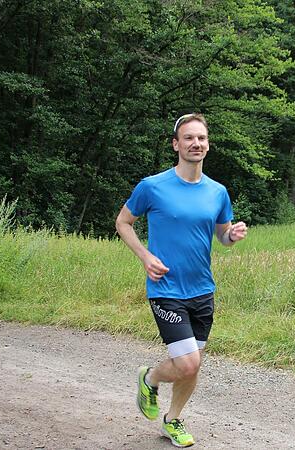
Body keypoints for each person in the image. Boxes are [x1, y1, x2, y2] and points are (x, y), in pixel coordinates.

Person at [115, 113, 248, 447]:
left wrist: (232, 235)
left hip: (202, 290)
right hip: (166, 289)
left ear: (208, 145)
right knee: (188, 363)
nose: (196, 144)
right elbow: (123, 222)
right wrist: (145, 256)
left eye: (201, 138)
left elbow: (222, 237)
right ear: (176, 144)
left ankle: (172, 420)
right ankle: (150, 377)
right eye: (188, 138)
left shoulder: (218, 192)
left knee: (193, 364)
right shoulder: (153, 186)